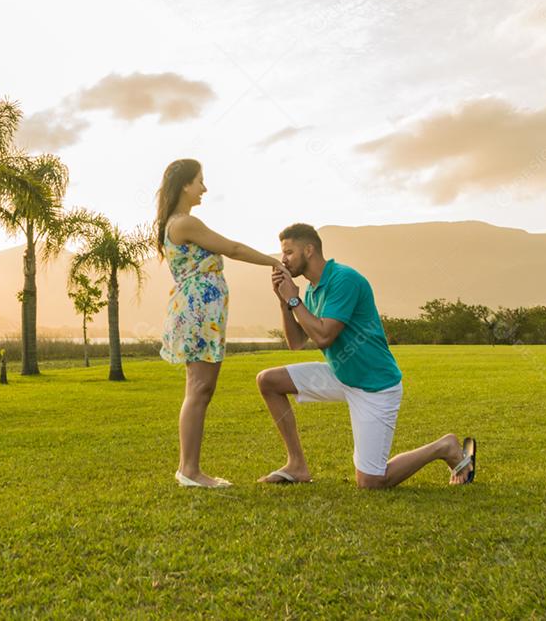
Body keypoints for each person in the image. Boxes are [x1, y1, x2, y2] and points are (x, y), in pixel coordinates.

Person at [256, 223, 476, 488]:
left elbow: (325, 335)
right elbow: (296, 342)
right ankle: (297, 465)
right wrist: (284, 302)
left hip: (375, 385)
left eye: (289, 252)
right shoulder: (313, 290)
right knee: (268, 380)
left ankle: (445, 446)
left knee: (371, 482)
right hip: (341, 374)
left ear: (309, 250)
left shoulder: (343, 279)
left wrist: (294, 301)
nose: (283, 260)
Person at [155, 159, 284, 489]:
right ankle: (190, 471)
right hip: (198, 312)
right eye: (200, 181)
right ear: (185, 185)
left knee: (200, 388)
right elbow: (234, 248)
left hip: (202, 311)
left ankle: (189, 469)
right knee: (200, 388)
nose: (204, 188)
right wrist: (273, 261)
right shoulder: (185, 223)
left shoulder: (181, 222)